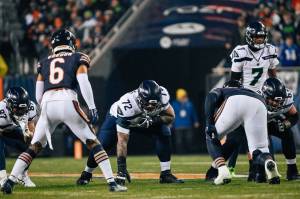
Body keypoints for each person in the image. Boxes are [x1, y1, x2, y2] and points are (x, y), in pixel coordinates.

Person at [1, 29, 127, 194]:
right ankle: (112, 183)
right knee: (93, 143)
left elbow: (38, 94)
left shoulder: (44, 62)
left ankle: (10, 182)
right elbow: (83, 81)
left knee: (34, 147)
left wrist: (46, 109)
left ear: (53, 45)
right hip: (68, 100)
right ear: (72, 44)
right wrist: (92, 106)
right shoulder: (78, 57)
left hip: (47, 104)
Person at [76, 80, 184, 186]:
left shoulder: (163, 95)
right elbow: (122, 141)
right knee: (104, 144)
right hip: (118, 118)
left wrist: (153, 120)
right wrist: (121, 170)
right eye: (148, 104)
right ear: (140, 98)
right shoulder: (127, 105)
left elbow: (171, 116)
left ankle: (166, 174)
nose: (151, 107)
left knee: (164, 131)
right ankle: (86, 173)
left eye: (154, 104)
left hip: (143, 120)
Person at [207, 78, 300, 182]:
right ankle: (214, 170)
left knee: (287, 134)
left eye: (278, 101)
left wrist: (285, 124)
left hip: (268, 122)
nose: (275, 104)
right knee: (233, 141)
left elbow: (294, 115)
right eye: (272, 100)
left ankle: (292, 171)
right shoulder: (255, 95)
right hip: (249, 120)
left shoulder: (286, 98)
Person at [0, 87, 37, 188]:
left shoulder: (31, 107)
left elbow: (31, 127)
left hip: (11, 130)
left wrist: (29, 135)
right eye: (18, 109)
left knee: (34, 143)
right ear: (9, 105)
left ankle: (22, 175)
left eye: (23, 109)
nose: (21, 112)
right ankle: (2, 178)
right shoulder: (1, 110)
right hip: (1, 131)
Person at [230, 21, 278, 93]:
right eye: (256, 37)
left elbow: (273, 77)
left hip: (264, 93)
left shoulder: (270, 50)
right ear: (249, 36)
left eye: (262, 37)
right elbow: (234, 81)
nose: (260, 39)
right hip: (245, 92)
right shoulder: (241, 52)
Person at [171, 88, 199, 153]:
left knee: (189, 139)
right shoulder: (174, 104)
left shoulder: (189, 104)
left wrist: (196, 121)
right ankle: (180, 153)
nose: (184, 97)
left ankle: (189, 151)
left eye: (185, 96)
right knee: (179, 141)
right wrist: (170, 123)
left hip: (188, 125)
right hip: (178, 125)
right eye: (182, 96)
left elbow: (193, 113)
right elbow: (171, 114)